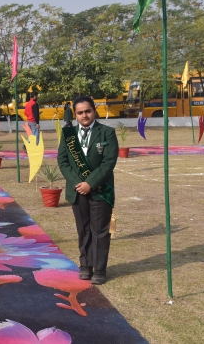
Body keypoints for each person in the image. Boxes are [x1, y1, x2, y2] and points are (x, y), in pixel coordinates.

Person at [57, 96, 118, 285]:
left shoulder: (107, 133)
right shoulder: (68, 135)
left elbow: (109, 162)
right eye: (80, 112)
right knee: (83, 230)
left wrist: (89, 183)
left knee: (99, 231)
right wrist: (78, 183)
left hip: (100, 189)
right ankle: (85, 266)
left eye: (88, 111)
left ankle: (99, 269)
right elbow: (63, 161)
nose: (84, 115)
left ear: (94, 111)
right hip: (77, 190)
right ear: (75, 114)